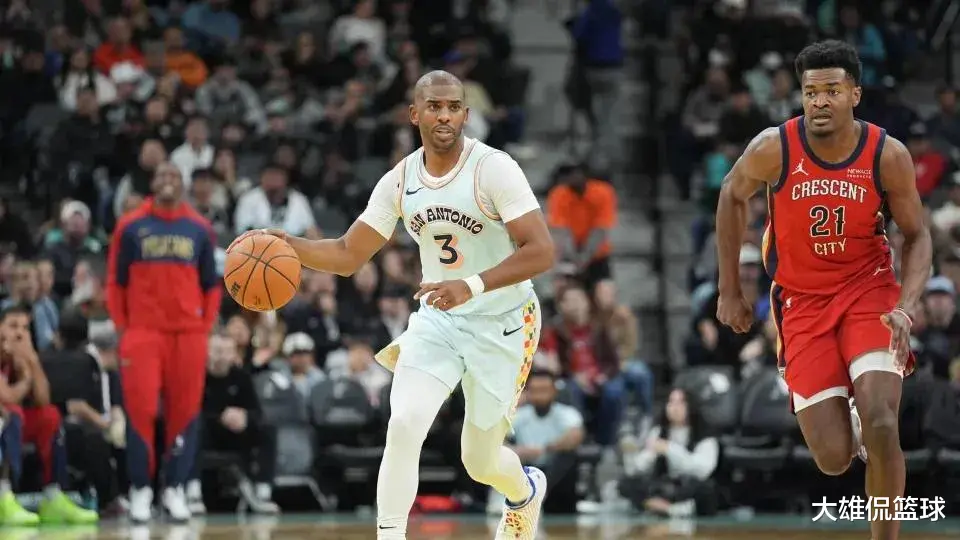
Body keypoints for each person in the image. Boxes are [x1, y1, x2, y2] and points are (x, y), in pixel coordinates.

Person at [232, 70, 556, 539]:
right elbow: (348, 254)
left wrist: (471, 285)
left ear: (466, 115)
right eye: (433, 107)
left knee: (479, 461)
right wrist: (289, 245)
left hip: (503, 321)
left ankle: (524, 492)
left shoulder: (493, 169)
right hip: (439, 320)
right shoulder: (401, 180)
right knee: (403, 422)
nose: (444, 116)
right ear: (414, 114)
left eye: (453, 107)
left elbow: (542, 251)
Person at [715, 40, 932, 540]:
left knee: (883, 422)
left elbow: (918, 236)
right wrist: (730, 290)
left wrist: (906, 306)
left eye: (832, 90)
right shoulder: (774, 147)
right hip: (802, 302)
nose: (819, 101)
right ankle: (851, 422)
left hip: (869, 292)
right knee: (833, 459)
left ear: (855, 94)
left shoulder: (886, 154)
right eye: (811, 92)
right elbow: (730, 194)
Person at [106, 162, 221, 523]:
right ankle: (141, 489)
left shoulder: (200, 228)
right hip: (143, 332)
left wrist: (204, 327)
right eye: (162, 175)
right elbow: (115, 282)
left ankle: (175, 487)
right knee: (140, 411)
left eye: (174, 175)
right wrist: (123, 327)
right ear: (153, 184)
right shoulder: (130, 226)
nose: (168, 180)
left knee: (184, 412)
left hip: (188, 334)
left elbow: (212, 285)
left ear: (182, 184)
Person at [0, 305, 99, 525]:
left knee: (49, 416)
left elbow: (43, 399)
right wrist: (26, 378)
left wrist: (32, 361)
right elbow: (7, 396)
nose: (19, 334)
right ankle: (3, 496)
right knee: (12, 414)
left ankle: (53, 496)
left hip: (12, 422)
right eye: (13, 326)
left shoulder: (23, 356)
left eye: (25, 328)